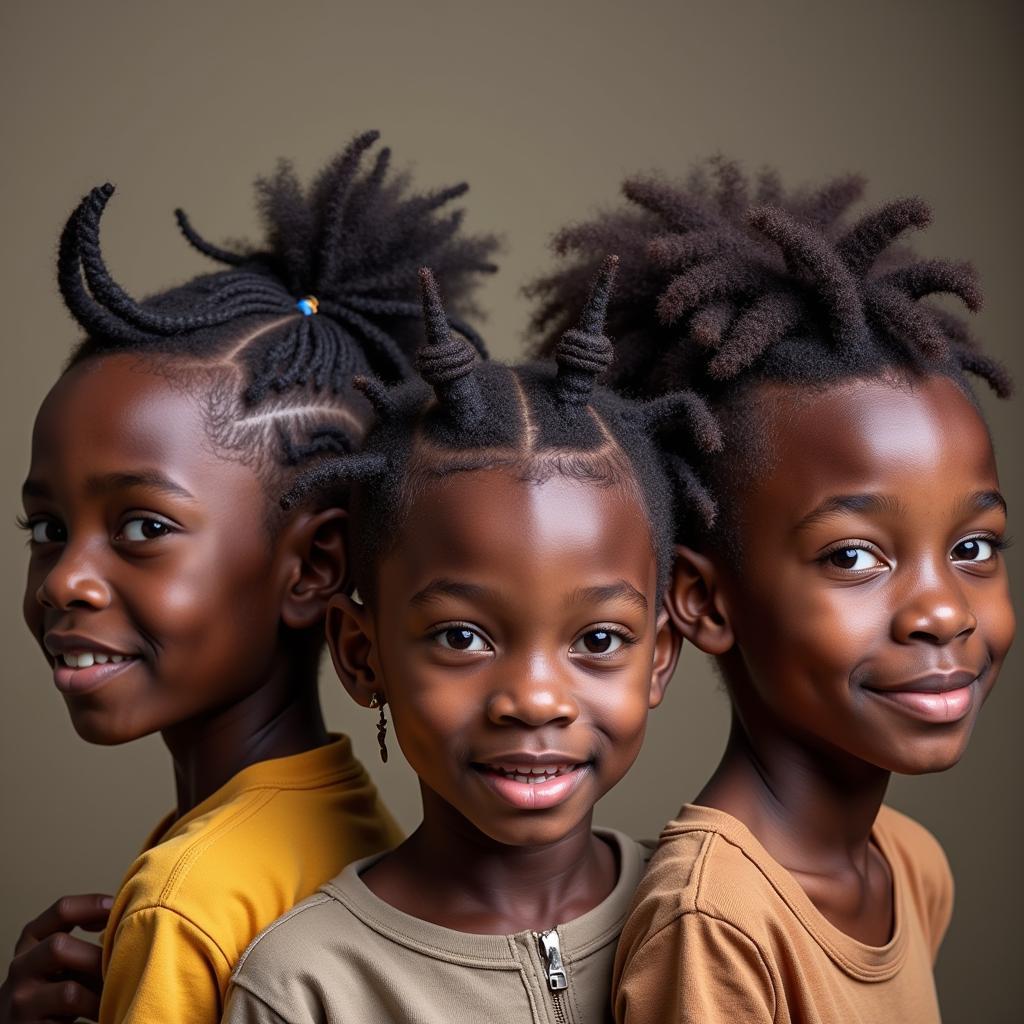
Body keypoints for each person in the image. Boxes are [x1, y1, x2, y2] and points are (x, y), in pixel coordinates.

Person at [3, 131, 497, 1024]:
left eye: (143, 527)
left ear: (311, 565)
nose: (63, 580)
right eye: (46, 527)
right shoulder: (356, 829)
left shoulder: (185, 901)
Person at [530, 162, 1015, 1023]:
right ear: (706, 601)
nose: (945, 610)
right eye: (855, 558)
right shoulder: (717, 925)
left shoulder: (910, 867)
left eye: (974, 546)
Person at [221, 258, 719, 1023]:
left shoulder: (709, 921)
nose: (535, 700)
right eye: (462, 636)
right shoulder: (303, 988)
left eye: (597, 639)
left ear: (658, 657)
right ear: (362, 654)